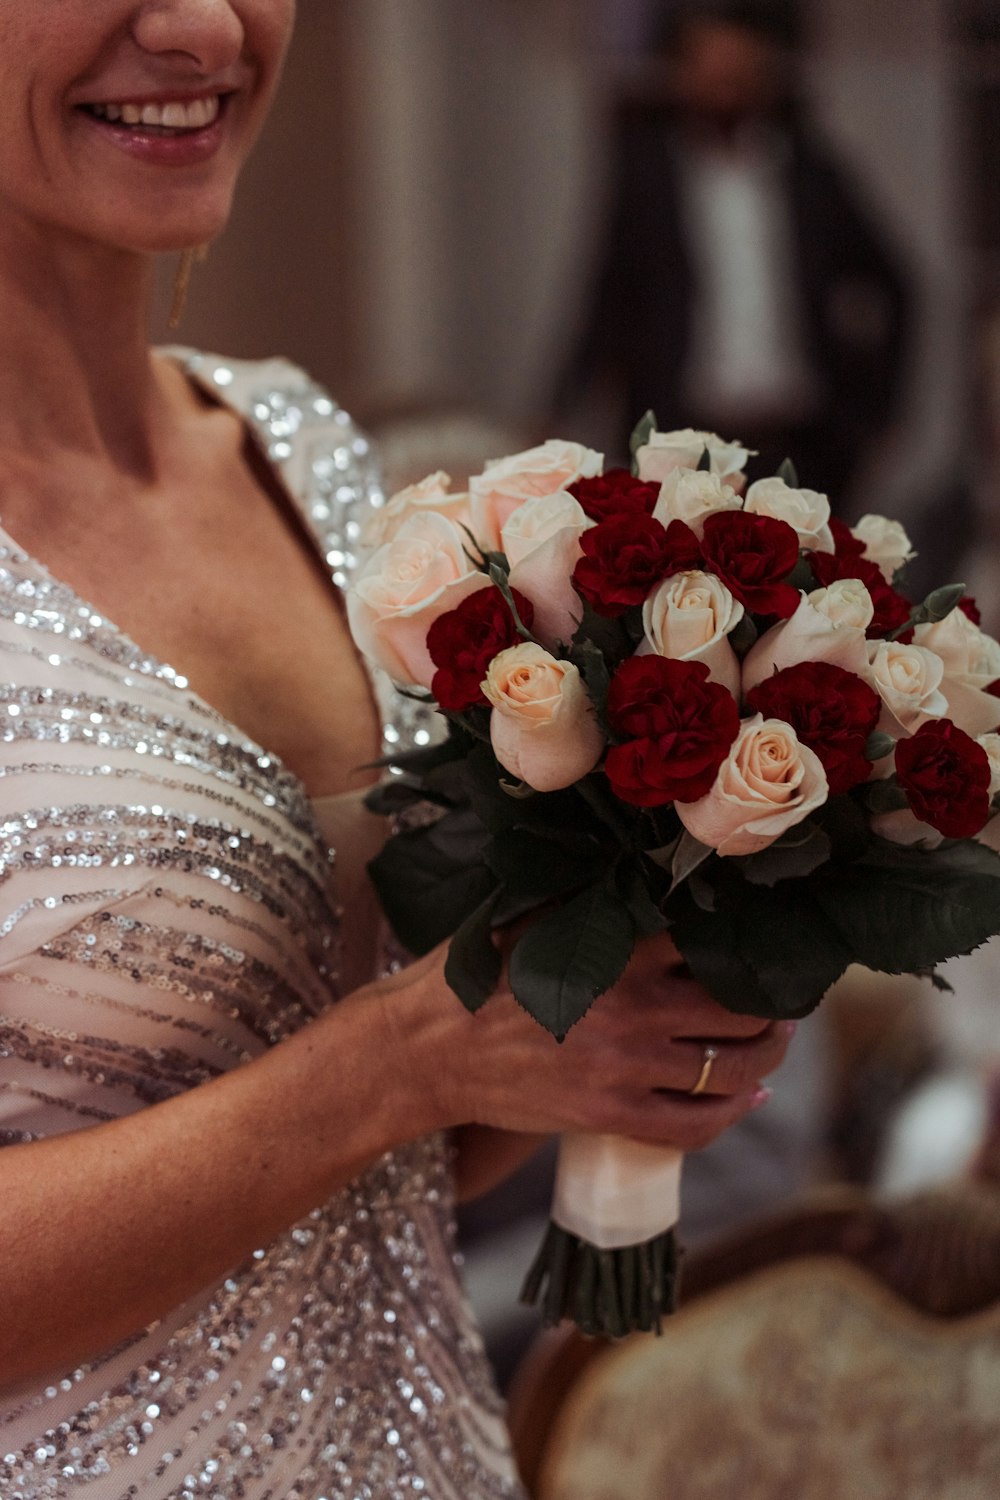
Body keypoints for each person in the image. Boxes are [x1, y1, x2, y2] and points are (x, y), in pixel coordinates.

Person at [0, 5, 793, 1497]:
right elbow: (379, 1080)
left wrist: (592, 1016)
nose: (200, 24)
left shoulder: (300, 446)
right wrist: (393, 1064)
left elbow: (398, 1168)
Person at [562, 0, 913, 504]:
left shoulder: (810, 174)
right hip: (683, 439)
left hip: (801, 443)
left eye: (740, 68)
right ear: (680, 73)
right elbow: (605, 297)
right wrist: (557, 405)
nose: (725, 81)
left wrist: (879, 407)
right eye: (710, 67)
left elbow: (894, 283)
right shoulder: (650, 179)